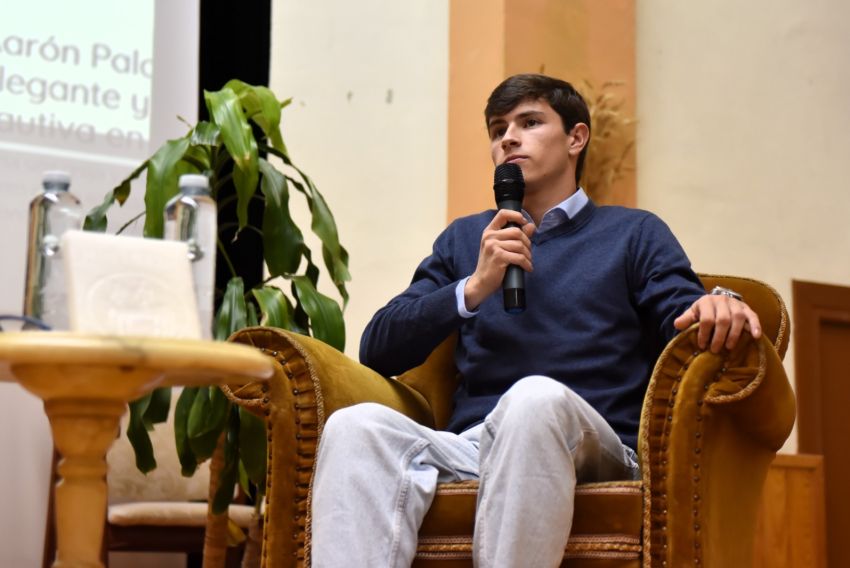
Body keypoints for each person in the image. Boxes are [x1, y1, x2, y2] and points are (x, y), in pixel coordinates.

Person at [310, 74, 761, 567]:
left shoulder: (633, 233)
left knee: (533, 398)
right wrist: (473, 287)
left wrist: (721, 300)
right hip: (476, 445)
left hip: (596, 441)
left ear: (576, 138)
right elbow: (379, 347)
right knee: (355, 427)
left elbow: (683, 313)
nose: (508, 137)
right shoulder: (467, 240)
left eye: (529, 122)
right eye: (498, 128)